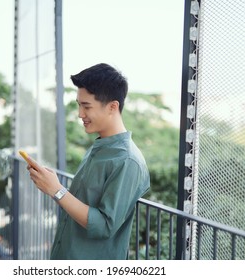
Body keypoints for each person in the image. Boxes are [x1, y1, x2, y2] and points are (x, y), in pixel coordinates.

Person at [25, 63, 150, 260]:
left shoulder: (128, 161)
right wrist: (52, 184)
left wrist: (57, 191)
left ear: (112, 107)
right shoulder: (98, 147)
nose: (80, 114)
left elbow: (104, 225)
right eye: (79, 104)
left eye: (86, 106)